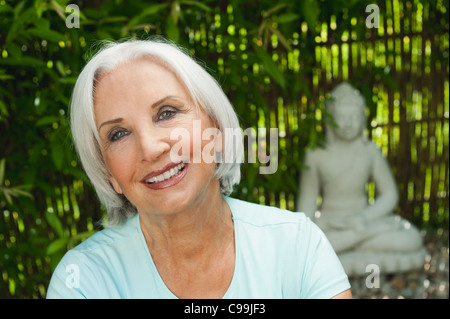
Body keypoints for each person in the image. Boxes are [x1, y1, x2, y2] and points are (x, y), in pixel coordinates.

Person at [46, 38, 351, 298]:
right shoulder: (83, 280)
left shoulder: (297, 245)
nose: (151, 148)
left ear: (216, 129)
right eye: (119, 134)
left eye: (167, 113)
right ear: (109, 173)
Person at [297, 82, 425, 276]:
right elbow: (307, 201)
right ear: (329, 119)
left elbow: (389, 194)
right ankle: (362, 237)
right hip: (332, 223)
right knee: (307, 244)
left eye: (354, 117)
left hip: (365, 218)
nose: (348, 123)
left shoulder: (370, 151)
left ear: (363, 119)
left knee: (411, 238)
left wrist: (363, 218)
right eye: (341, 117)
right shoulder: (316, 154)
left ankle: (346, 247)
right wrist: (306, 232)